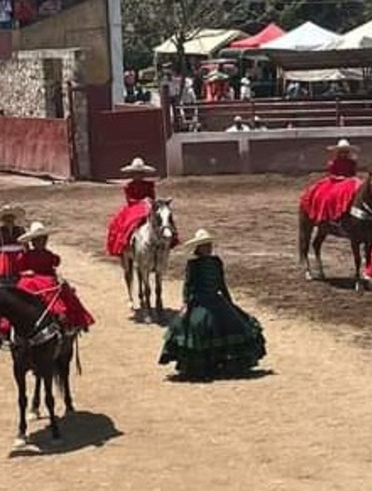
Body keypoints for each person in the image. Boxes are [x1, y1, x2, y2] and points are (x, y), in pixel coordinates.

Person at [157, 229, 265, 380]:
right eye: (205, 245)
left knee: (235, 324)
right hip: (200, 302)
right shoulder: (193, 264)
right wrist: (186, 303)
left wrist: (229, 302)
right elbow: (188, 285)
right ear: (198, 248)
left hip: (216, 300)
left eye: (209, 244)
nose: (208, 247)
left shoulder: (216, 262)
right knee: (195, 327)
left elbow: (222, 283)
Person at [15, 222, 94, 333]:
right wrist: (25, 273)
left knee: (66, 291)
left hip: (48, 279)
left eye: (43, 239)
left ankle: (75, 321)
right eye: (38, 240)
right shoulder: (25, 256)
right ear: (32, 242)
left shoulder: (49, 254)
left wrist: (57, 276)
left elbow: (55, 263)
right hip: (32, 280)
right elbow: (18, 270)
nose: (41, 242)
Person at [105, 157, 160, 257]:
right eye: (135, 173)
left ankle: (165, 242)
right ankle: (125, 244)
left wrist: (149, 202)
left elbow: (152, 197)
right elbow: (130, 199)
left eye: (140, 173)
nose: (138, 176)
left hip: (148, 206)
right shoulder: (128, 186)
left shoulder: (149, 185)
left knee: (163, 220)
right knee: (122, 224)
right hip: (134, 207)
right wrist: (142, 201)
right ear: (132, 174)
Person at [0, 203, 27, 282]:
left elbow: (26, 245)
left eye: (10, 217)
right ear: (3, 219)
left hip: (19, 256)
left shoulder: (21, 230)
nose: (9, 220)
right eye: (6, 218)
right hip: (5, 256)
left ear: (14, 218)